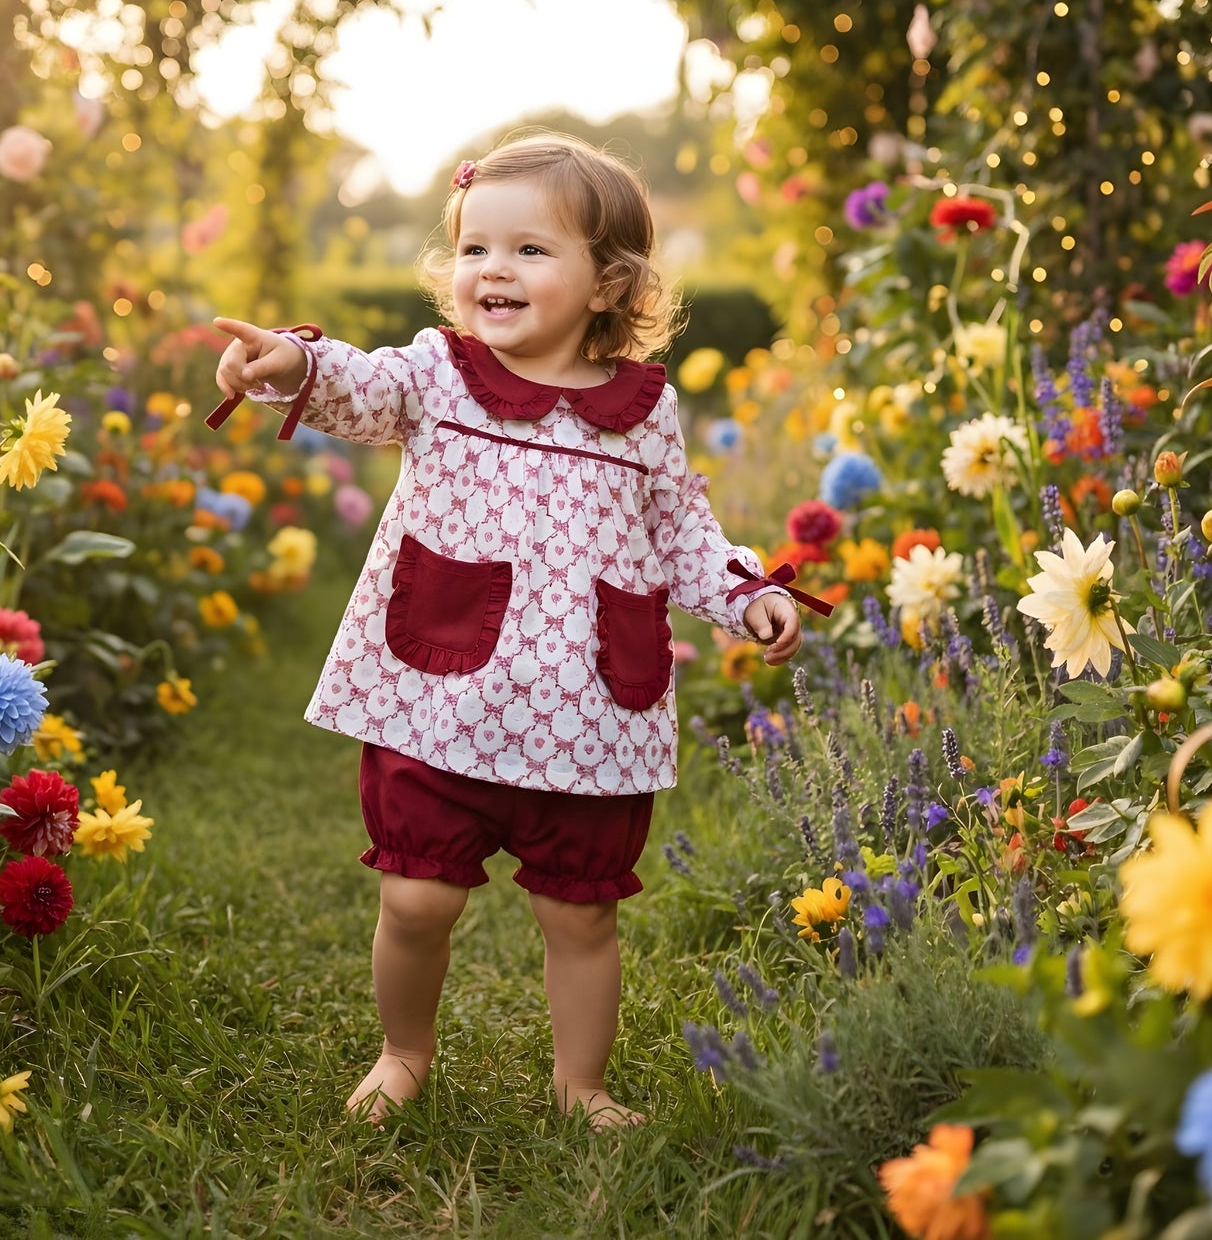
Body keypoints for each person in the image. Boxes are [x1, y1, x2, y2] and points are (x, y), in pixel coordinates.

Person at [209, 131, 820, 1129]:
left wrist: (743, 590)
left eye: (530, 250)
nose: (492, 268)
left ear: (607, 284)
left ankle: (581, 1083)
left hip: (584, 715)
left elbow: (679, 526)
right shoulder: (436, 375)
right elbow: (355, 386)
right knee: (415, 900)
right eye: (474, 248)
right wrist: (288, 364)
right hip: (436, 699)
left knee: (579, 911)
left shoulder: (644, 412)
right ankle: (403, 1049)